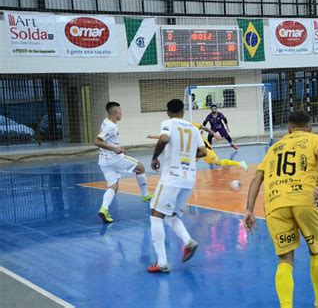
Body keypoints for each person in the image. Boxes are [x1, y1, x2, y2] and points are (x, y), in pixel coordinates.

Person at [244, 111, 318, 308]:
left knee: (285, 259)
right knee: (316, 251)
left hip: (275, 203)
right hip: (306, 199)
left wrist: (249, 209)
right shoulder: (316, 139)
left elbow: (257, 177)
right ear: (310, 128)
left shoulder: (274, 148)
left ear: (289, 129)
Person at [147, 99, 207, 273]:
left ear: (168, 111)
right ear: (183, 110)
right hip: (189, 178)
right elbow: (203, 151)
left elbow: (164, 138)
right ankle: (188, 241)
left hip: (172, 177)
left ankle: (162, 263)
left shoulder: (168, 123)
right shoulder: (193, 128)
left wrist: (154, 157)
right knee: (171, 216)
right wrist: (188, 155)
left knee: (155, 216)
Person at [94, 102, 153, 223]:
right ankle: (145, 195)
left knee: (113, 186)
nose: (121, 114)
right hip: (114, 159)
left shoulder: (105, 121)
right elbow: (97, 142)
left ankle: (103, 209)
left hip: (104, 160)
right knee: (140, 168)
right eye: (120, 112)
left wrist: (117, 146)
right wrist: (115, 149)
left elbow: (105, 140)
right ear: (115, 113)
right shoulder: (111, 126)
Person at [147, 122, 248, 171]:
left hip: (204, 148)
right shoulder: (179, 130)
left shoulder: (193, 125)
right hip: (193, 151)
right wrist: (154, 136)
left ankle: (240, 163)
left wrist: (214, 134)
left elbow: (204, 127)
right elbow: (168, 136)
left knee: (218, 163)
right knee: (185, 163)